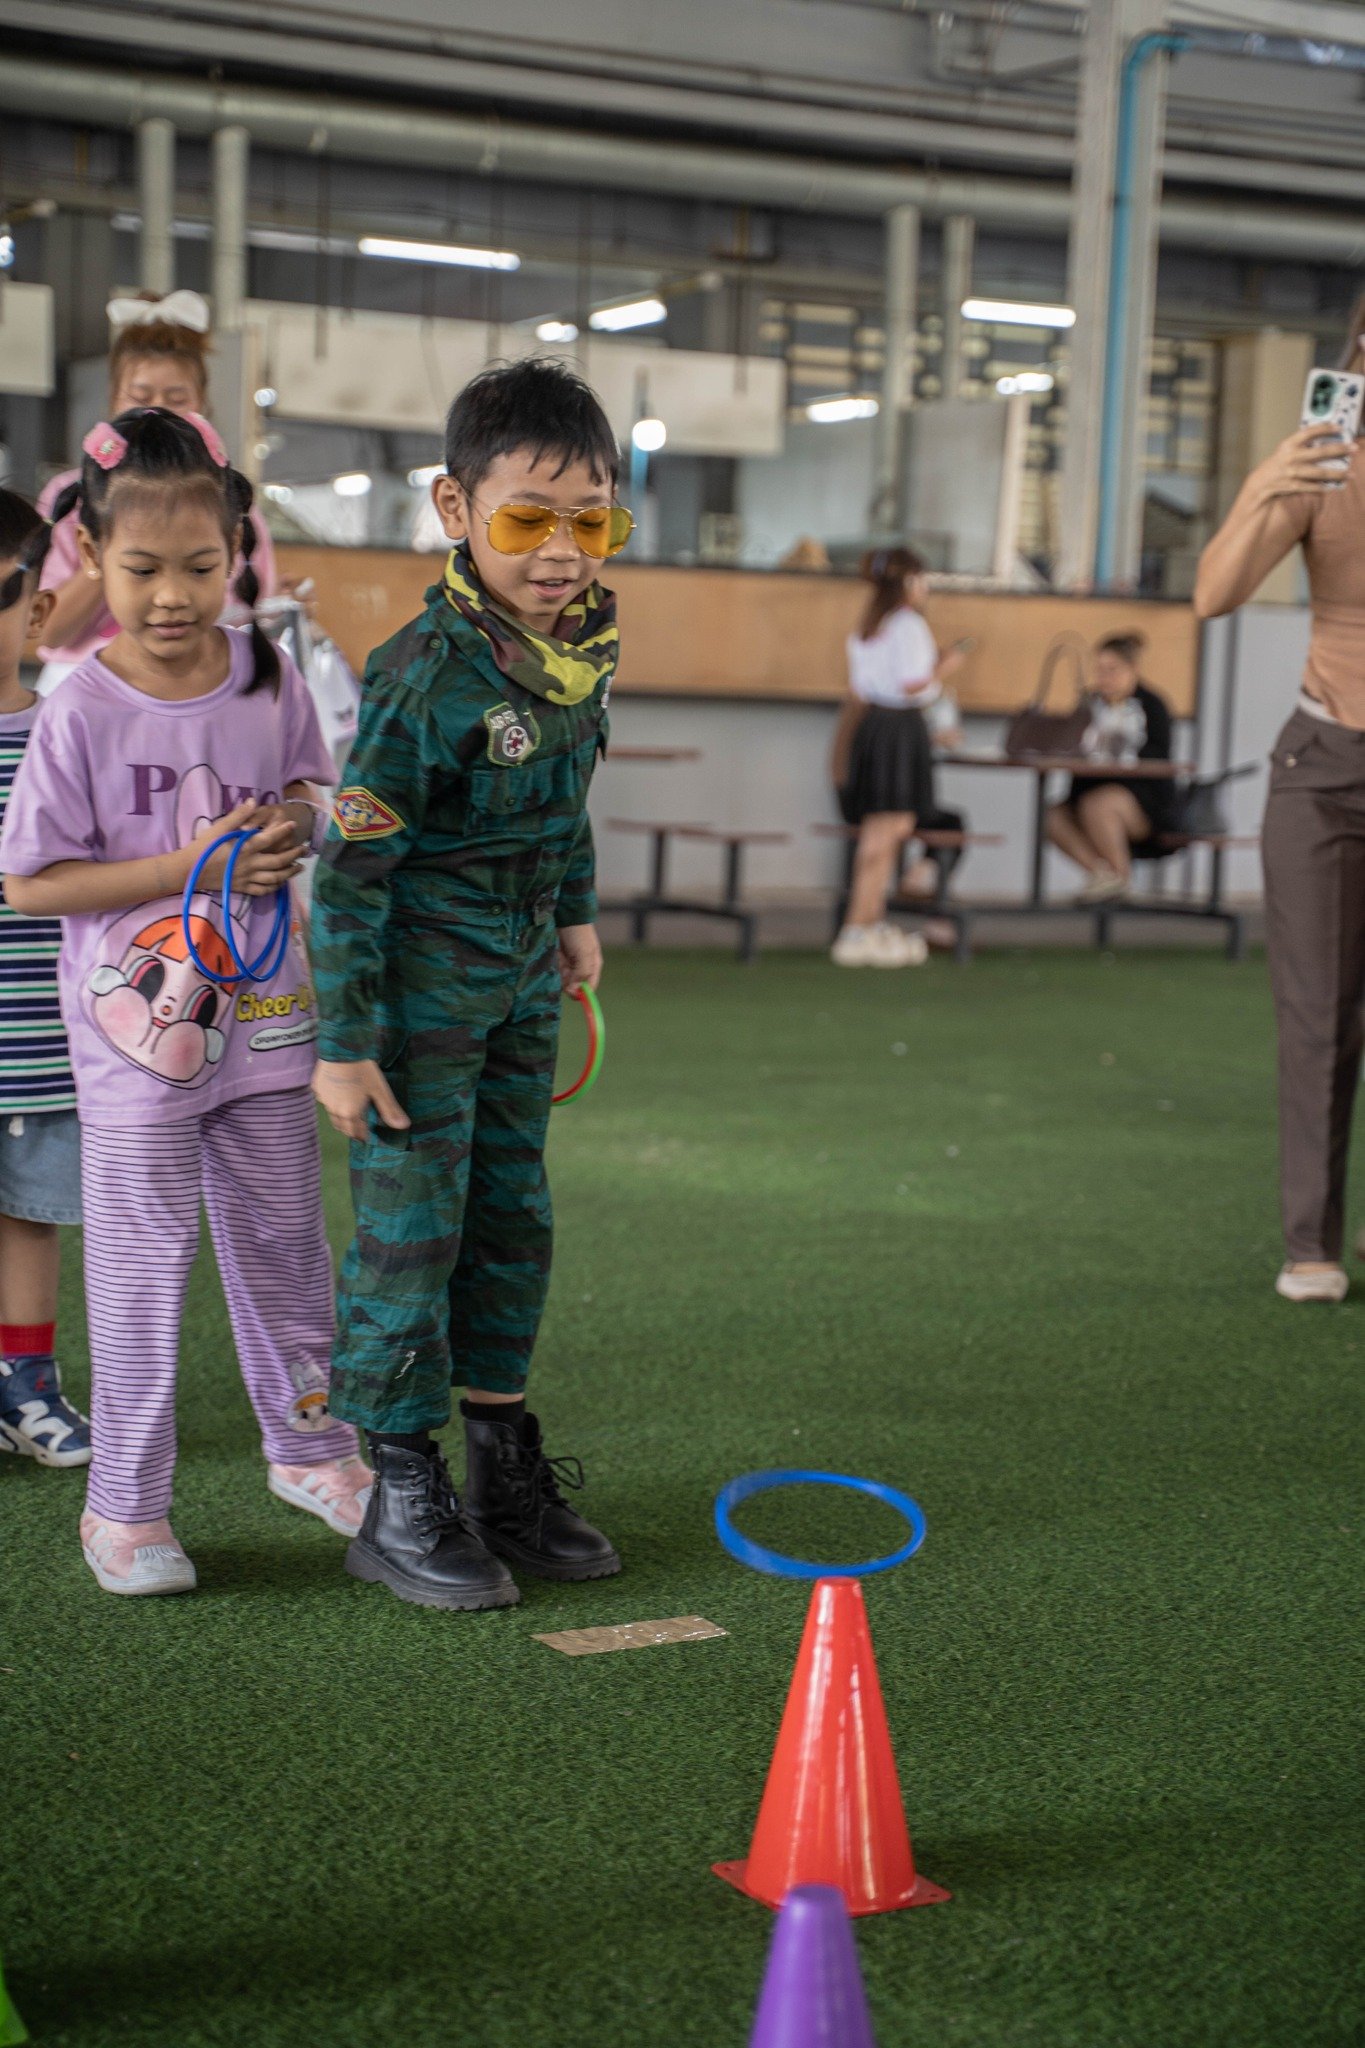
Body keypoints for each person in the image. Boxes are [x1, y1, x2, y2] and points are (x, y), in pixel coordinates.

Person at [0, 408, 369, 1596]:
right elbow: (28, 881)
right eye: (143, 568)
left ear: (238, 555)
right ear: (91, 561)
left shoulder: (266, 672)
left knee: (287, 1248)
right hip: (134, 1050)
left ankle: (313, 1450)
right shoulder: (80, 707)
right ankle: (125, 1510)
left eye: (201, 567)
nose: (172, 595)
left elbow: (314, 784)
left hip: (266, 1026)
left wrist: (297, 820)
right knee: (143, 1274)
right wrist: (194, 866)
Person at [310, 357, 623, 1612]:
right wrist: (343, 1042)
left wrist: (576, 912)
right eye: (528, 519)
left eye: (591, 522)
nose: (562, 552)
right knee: (411, 1234)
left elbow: (566, 797)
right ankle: (398, 1486)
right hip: (420, 995)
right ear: (455, 507)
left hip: (523, 982)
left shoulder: (579, 652)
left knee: (510, 1220)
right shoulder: (422, 673)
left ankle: (501, 1467)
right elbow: (350, 874)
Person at [1195, 293, 1365, 1304]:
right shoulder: (1319, 468)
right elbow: (1212, 593)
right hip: (1324, 770)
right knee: (1317, 1016)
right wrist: (1264, 482)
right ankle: (1311, 1245)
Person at [36, 289, 276, 691]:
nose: (157, 410)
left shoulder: (232, 500)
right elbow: (49, 631)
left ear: (203, 404)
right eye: (140, 396)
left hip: (200, 683)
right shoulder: (70, 497)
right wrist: (114, 546)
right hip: (83, 678)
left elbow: (257, 614)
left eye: (176, 398)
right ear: (113, 399)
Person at [0, 492, 90, 1470]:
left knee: (31, 1213)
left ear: (36, 611)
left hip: (42, 1041)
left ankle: (25, 1384)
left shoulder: (66, 736)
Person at [830, 544, 965, 967]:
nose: (925, 587)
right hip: (900, 726)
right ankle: (859, 926)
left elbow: (860, 686)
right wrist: (945, 666)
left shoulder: (870, 624)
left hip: (874, 725)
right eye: (921, 579)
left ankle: (868, 923)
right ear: (908, 581)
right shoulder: (908, 623)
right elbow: (912, 683)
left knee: (887, 827)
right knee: (886, 829)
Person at [1043, 633, 1175, 906]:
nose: (1104, 678)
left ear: (1132, 669)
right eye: (1100, 670)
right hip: (1085, 793)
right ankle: (1105, 876)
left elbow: (1156, 758)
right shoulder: (1090, 704)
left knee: (1099, 805)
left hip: (1141, 801)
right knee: (1051, 816)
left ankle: (1120, 878)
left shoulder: (1151, 706)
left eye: (1112, 670)